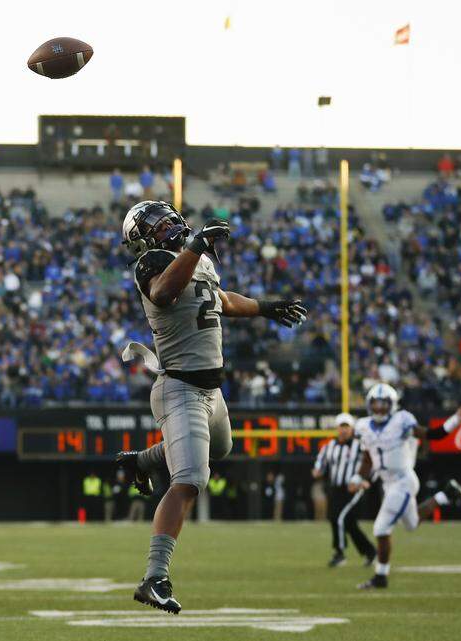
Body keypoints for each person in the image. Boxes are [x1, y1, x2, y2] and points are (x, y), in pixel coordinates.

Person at [113, 200, 308, 613]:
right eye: (157, 225)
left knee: (220, 450)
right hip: (180, 387)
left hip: (211, 392)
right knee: (189, 480)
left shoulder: (194, 261)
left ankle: (143, 461)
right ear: (143, 239)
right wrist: (195, 247)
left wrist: (265, 307)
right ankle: (154, 577)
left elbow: (220, 299)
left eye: (168, 220)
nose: (168, 226)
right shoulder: (151, 264)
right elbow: (165, 293)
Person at [350, 384, 461, 590]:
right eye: (375, 404)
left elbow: (433, 435)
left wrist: (455, 420)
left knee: (381, 528)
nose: (378, 408)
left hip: (403, 480)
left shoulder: (401, 420)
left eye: (383, 403)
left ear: (392, 405)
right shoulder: (363, 426)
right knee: (412, 524)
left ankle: (381, 577)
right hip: (388, 483)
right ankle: (446, 495)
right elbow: (368, 458)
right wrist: (356, 477)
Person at [313, 413, 375, 568]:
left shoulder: (360, 445)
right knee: (348, 523)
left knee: (339, 518)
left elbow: (372, 463)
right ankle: (371, 552)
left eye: (347, 427)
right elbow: (320, 465)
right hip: (335, 489)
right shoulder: (329, 447)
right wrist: (317, 471)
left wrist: (366, 481)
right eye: (341, 426)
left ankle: (339, 553)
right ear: (337, 428)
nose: (344, 430)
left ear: (352, 428)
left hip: (353, 488)